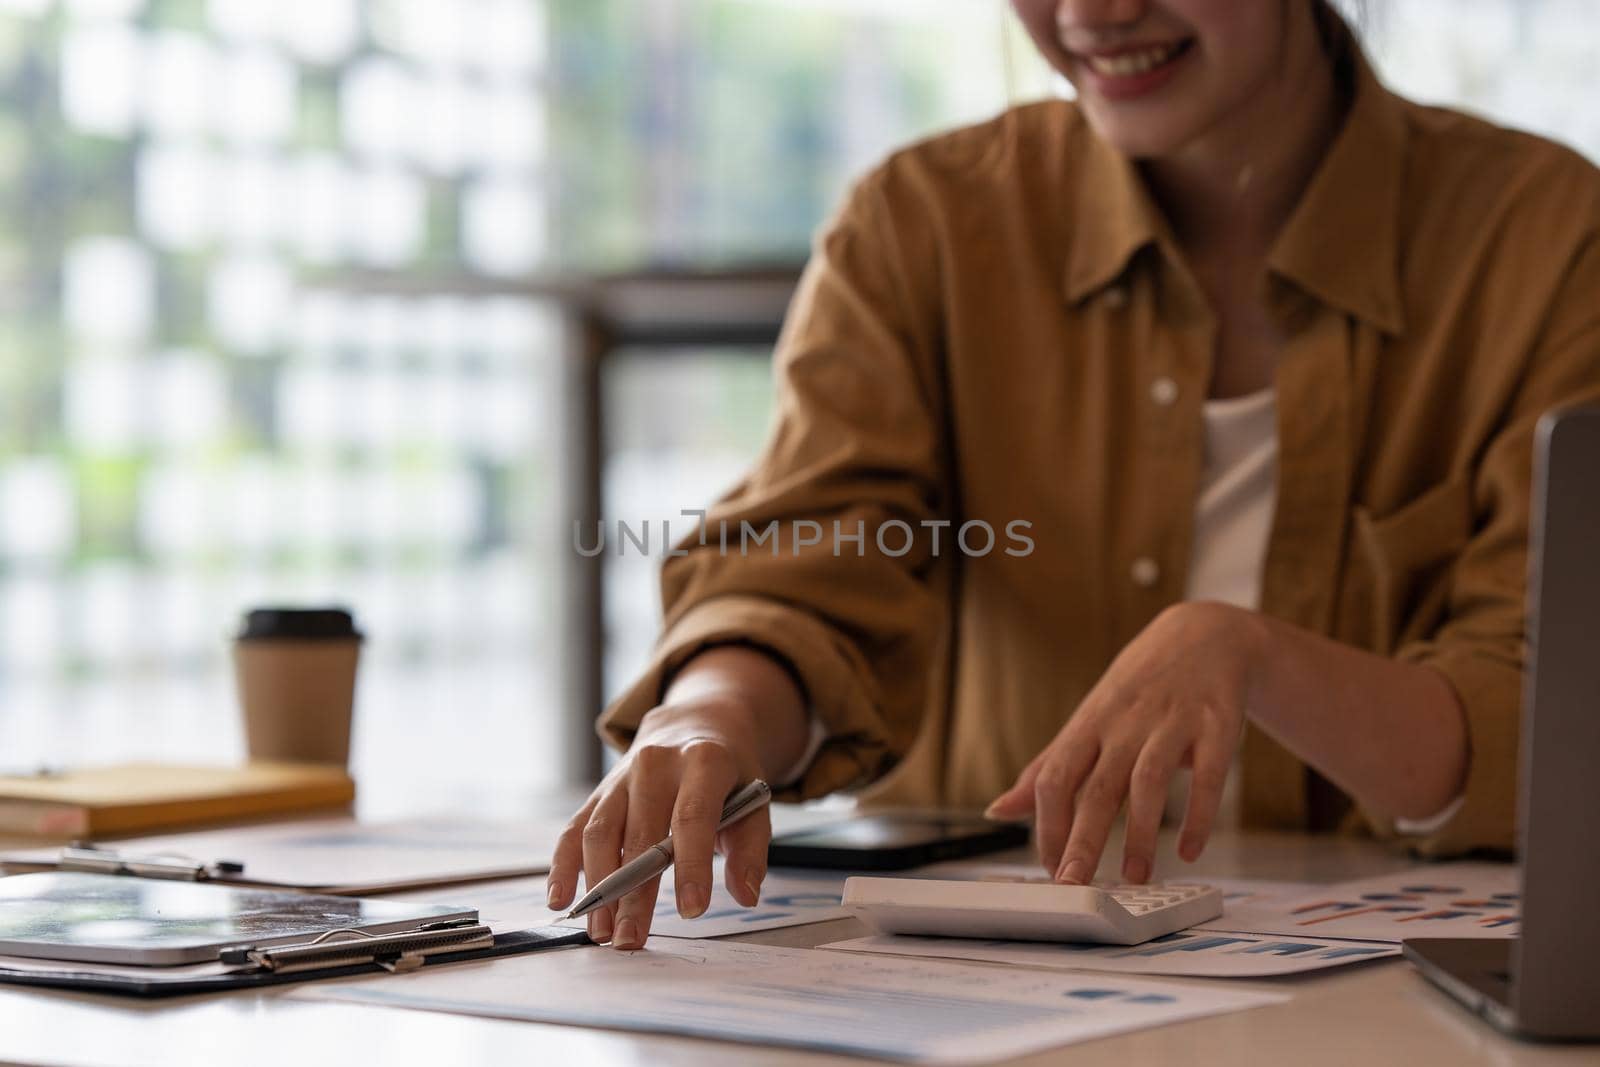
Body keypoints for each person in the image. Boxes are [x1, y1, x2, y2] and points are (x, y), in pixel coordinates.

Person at [546, 0, 1600, 951]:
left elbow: (1544, 726)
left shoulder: (1547, 238)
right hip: (983, 982)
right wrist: (707, 717)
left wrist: (1248, 652)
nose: (1090, 13)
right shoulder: (923, 220)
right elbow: (810, 564)